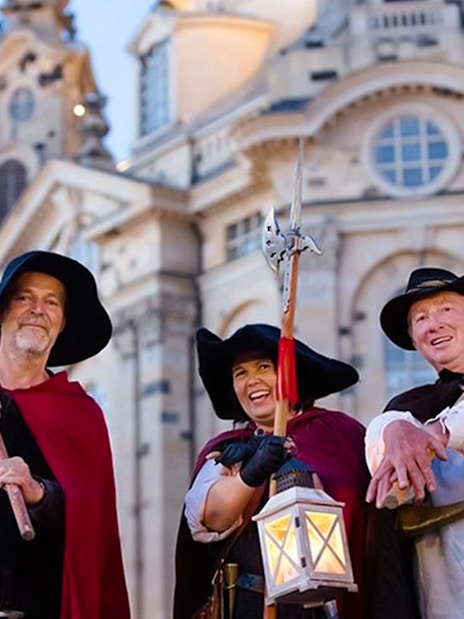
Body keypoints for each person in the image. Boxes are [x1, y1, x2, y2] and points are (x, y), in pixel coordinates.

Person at [173, 323, 370, 619]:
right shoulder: (226, 449)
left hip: (325, 607)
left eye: (263, 367)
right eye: (241, 373)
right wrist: (252, 472)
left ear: (290, 375)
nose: (251, 380)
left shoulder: (341, 435)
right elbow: (210, 516)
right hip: (249, 605)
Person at [0, 250, 130, 619]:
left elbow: (94, 529)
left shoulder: (80, 415)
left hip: (45, 604)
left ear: (61, 324)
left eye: (51, 302)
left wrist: (40, 494)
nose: (37, 309)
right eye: (24, 297)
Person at [365, 266, 464, 619]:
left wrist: (438, 434)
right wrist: (392, 431)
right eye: (420, 317)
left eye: (445, 309)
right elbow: (382, 466)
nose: (432, 323)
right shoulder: (408, 410)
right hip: (442, 597)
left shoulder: (428, 421)